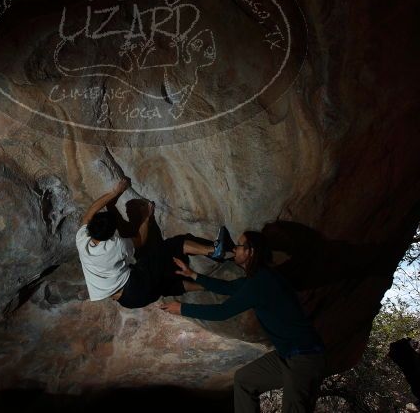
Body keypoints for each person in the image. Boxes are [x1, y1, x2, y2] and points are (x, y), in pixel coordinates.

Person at [160, 228, 327, 413]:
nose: (235, 248)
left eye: (239, 245)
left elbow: (222, 312)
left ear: (250, 251)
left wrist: (182, 308)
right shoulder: (257, 278)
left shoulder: (262, 282)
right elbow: (228, 287)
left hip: (305, 357)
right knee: (244, 380)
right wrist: (193, 275)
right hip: (286, 356)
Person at [76, 177, 235, 309]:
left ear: (91, 228)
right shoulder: (114, 246)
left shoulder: (82, 240)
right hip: (136, 286)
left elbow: (90, 211)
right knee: (173, 245)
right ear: (111, 234)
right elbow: (140, 240)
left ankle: (216, 287)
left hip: (128, 301)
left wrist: (115, 193)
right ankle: (214, 250)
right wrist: (146, 218)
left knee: (166, 284)